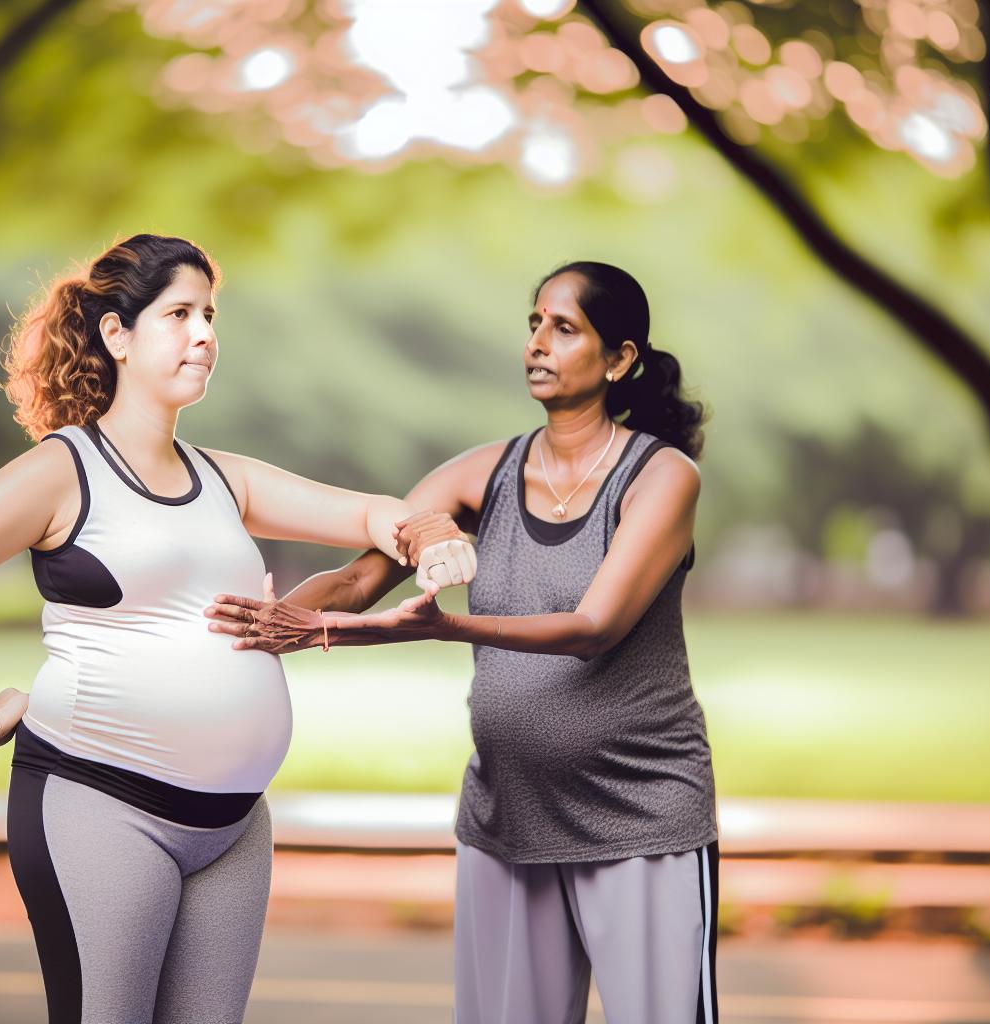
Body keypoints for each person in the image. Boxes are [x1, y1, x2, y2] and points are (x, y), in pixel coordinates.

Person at [0, 233, 474, 1024]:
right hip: (100, 802)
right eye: (180, 314)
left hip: (232, 827)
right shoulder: (63, 471)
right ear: (117, 336)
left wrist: (428, 532)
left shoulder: (225, 478)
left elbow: (369, 512)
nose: (205, 334)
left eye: (210, 314)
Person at [206, 260, 718, 1024]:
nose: (538, 343)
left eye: (565, 328)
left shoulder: (661, 476)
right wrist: (256, 627)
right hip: (506, 817)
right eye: (534, 322)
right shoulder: (483, 472)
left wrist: (436, 628)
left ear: (620, 359)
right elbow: (354, 584)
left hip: (642, 817)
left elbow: (593, 627)